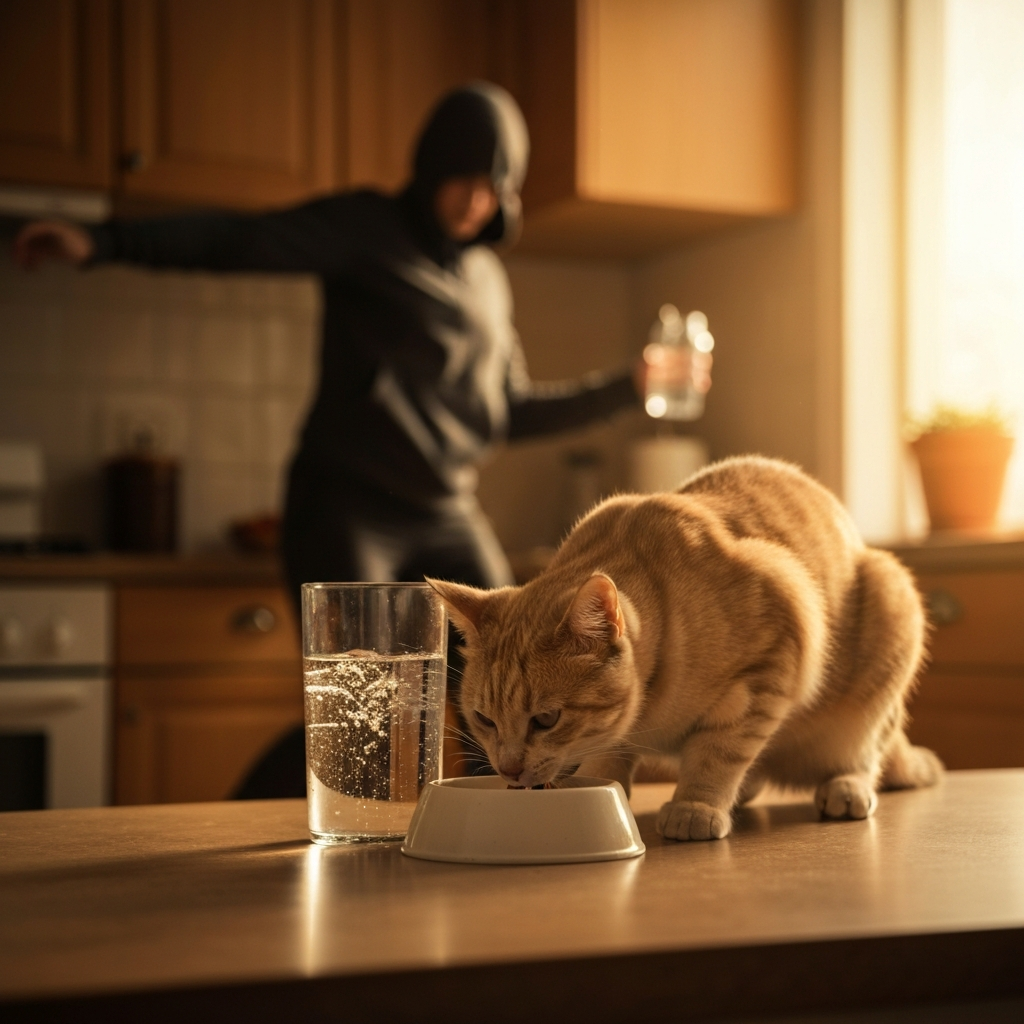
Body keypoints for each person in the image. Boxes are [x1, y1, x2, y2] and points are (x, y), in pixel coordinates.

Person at [15, 83, 708, 795]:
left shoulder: (486, 280)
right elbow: (241, 241)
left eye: (493, 189)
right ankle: (264, 822)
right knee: (363, 713)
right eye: (463, 180)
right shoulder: (367, 229)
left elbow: (503, 412)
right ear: (432, 168)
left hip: (444, 507)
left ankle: (503, 847)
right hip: (347, 504)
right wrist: (103, 239)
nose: (476, 202)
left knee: (513, 687)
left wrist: (630, 384)